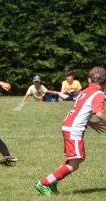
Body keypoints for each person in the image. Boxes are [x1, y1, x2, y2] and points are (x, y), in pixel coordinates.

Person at [34, 66, 106, 196]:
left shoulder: (84, 91)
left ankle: (53, 180)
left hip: (70, 126)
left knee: (78, 159)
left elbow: (79, 112)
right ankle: (44, 182)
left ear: (89, 80)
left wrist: (91, 123)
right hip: (73, 130)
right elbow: (100, 114)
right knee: (74, 164)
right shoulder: (98, 94)